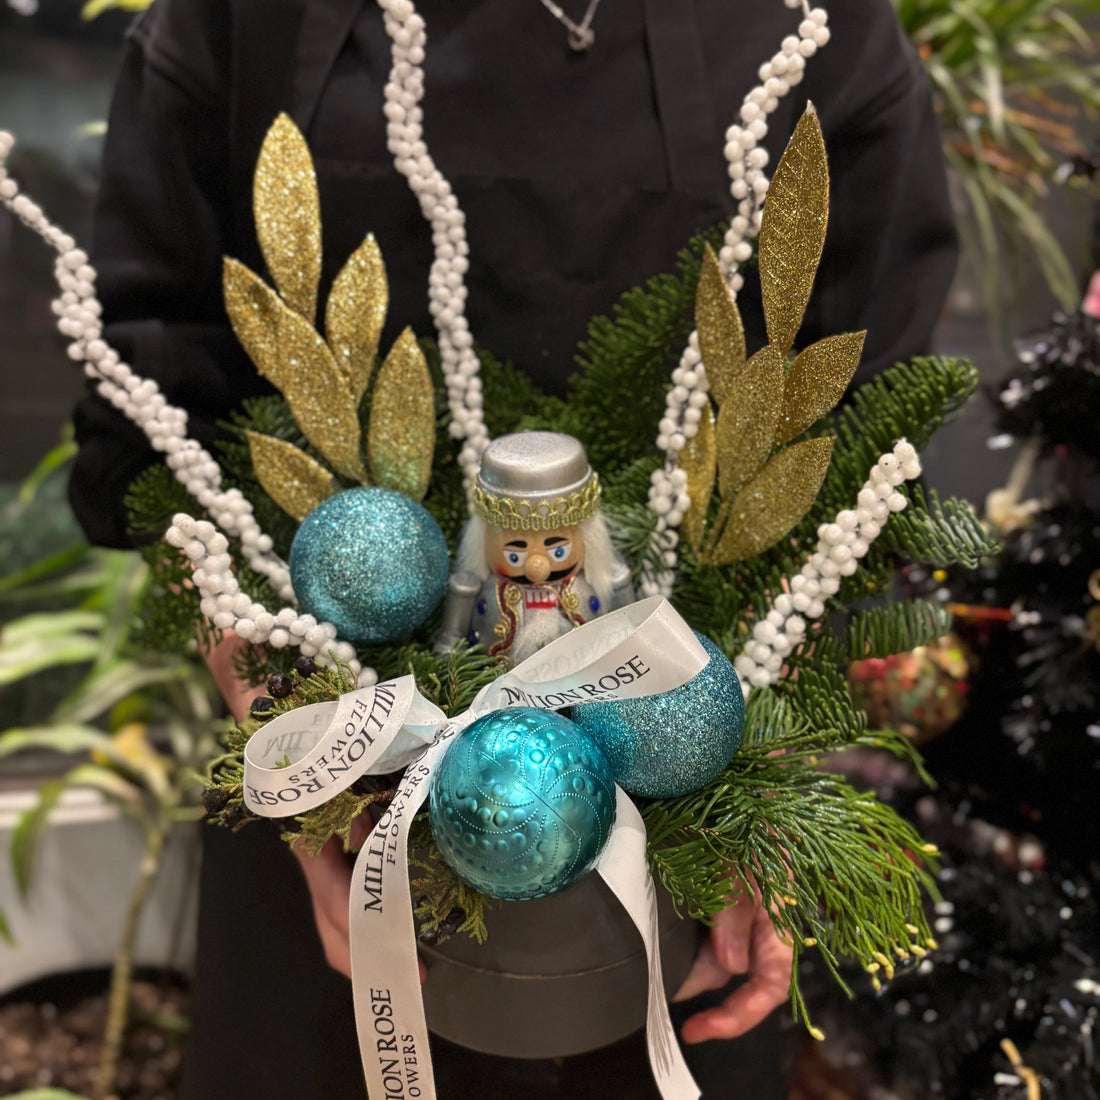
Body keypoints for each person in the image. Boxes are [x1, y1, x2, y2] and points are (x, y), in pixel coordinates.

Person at [67, 1, 958, 1096]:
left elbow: (867, 440)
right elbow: (153, 422)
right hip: (335, 847)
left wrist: (766, 797)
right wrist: (306, 771)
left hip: (692, 860)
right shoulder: (241, 19)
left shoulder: (817, 25)